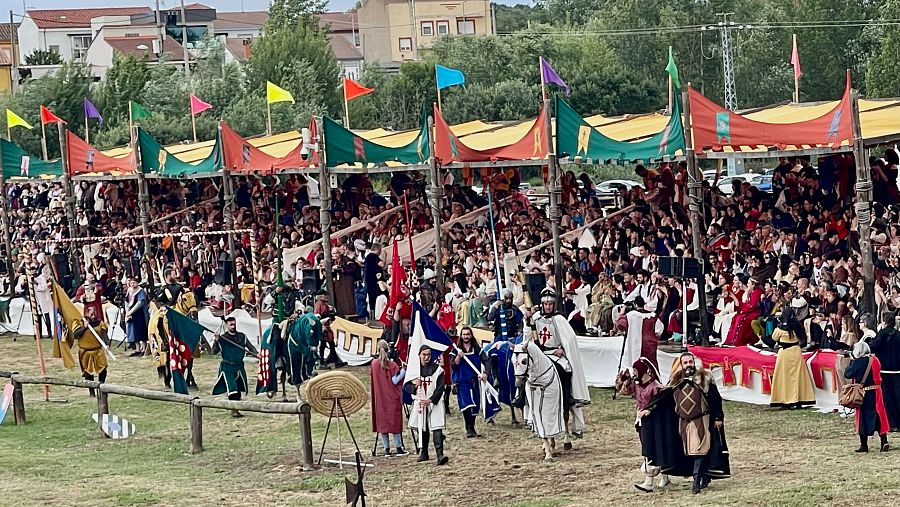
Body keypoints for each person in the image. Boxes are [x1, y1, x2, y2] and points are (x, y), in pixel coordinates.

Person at [641, 353, 730, 495]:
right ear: (681, 365)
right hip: (683, 423)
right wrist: (650, 409)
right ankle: (704, 475)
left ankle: (696, 483)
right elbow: (664, 399)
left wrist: (718, 417)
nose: (689, 365)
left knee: (699, 449)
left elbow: (715, 398)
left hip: (701, 420)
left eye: (690, 362)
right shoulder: (677, 381)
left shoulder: (704, 378)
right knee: (689, 452)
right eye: (685, 362)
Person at [531, 288, 590, 438]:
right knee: (528, 374)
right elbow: (529, 336)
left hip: (556, 353)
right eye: (546, 304)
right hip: (541, 353)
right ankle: (524, 400)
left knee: (565, 370)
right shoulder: (536, 317)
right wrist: (527, 322)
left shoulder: (559, 319)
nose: (548, 307)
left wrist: (562, 349)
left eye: (550, 304)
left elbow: (569, 339)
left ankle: (567, 397)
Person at [404, 345, 449, 465]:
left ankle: (440, 455)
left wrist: (431, 400)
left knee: (436, 427)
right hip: (420, 403)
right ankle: (424, 452)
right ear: (419, 355)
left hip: (434, 403)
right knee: (422, 427)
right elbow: (406, 387)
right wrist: (414, 386)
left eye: (428, 355)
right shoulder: (413, 371)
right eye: (424, 354)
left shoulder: (438, 370)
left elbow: (440, 388)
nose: (426, 357)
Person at [632, 357, 670, 493]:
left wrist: (650, 411)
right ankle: (665, 477)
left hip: (655, 425)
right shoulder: (638, 384)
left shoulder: (656, 388)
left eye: (636, 370)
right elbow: (627, 392)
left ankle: (648, 482)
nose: (634, 373)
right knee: (651, 449)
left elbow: (661, 406)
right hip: (643, 423)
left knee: (651, 450)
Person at [844, 341, 890, 452]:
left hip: (863, 393)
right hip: (876, 392)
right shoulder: (875, 360)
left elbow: (848, 374)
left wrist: (852, 361)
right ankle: (884, 441)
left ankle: (864, 445)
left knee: (862, 419)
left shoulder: (857, 362)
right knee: (879, 417)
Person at [765, 308, 816, 408]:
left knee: (784, 378)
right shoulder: (797, 326)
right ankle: (799, 400)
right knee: (798, 377)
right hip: (796, 351)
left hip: (784, 353)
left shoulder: (780, 328)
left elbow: (774, 338)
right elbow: (803, 339)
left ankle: (785, 400)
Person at [212, 316, 258, 417]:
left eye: (234, 324)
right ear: (226, 325)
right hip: (227, 367)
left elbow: (250, 347)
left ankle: (237, 408)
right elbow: (214, 352)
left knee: (238, 388)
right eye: (231, 325)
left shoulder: (241, 337)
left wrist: (257, 354)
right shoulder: (223, 338)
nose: (233, 326)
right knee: (232, 388)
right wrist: (216, 340)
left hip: (239, 367)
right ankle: (233, 409)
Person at [370, 340, 408, 457]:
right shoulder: (392, 365)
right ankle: (398, 447)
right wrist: (403, 370)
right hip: (392, 397)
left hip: (380, 398)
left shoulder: (374, 364)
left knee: (383, 423)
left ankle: (386, 448)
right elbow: (395, 381)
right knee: (395, 421)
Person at [451, 326, 487, 438]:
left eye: (468, 334)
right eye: (464, 334)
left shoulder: (476, 349)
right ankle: (469, 428)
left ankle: (472, 426)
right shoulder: (456, 350)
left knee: (475, 405)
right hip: (462, 381)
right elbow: (453, 365)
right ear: (461, 336)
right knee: (467, 404)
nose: (466, 336)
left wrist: (486, 374)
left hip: (474, 381)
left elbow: (486, 360)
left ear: (471, 335)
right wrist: (458, 357)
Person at [869, 312, 900, 432]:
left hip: (885, 370)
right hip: (897, 370)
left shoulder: (881, 334)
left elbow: (873, 346)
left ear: (884, 321)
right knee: (897, 396)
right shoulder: (898, 335)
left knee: (888, 398)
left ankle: (892, 424)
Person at [616, 296, 663, 372]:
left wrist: (621, 314)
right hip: (650, 344)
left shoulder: (631, 315)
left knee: (636, 365)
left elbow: (620, 325)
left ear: (635, 305)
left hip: (635, 344)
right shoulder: (652, 316)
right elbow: (659, 330)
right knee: (651, 366)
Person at [73, 305, 110, 397]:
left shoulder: (100, 323)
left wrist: (107, 343)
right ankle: (92, 392)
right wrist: (84, 327)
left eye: (95, 312)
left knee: (103, 368)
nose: (93, 314)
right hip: (86, 352)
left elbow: (103, 334)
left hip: (97, 350)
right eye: (91, 312)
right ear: (86, 312)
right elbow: (75, 335)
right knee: (88, 372)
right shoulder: (79, 323)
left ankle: (101, 388)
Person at [124, 277, 150, 357]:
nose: (133, 284)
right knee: (134, 332)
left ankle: (144, 348)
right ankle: (137, 349)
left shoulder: (140, 291)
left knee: (141, 331)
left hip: (140, 314)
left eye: (134, 282)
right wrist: (127, 312)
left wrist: (130, 312)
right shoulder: (129, 290)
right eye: (131, 283)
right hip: (132, 315)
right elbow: (127, 301)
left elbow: (140, 303)